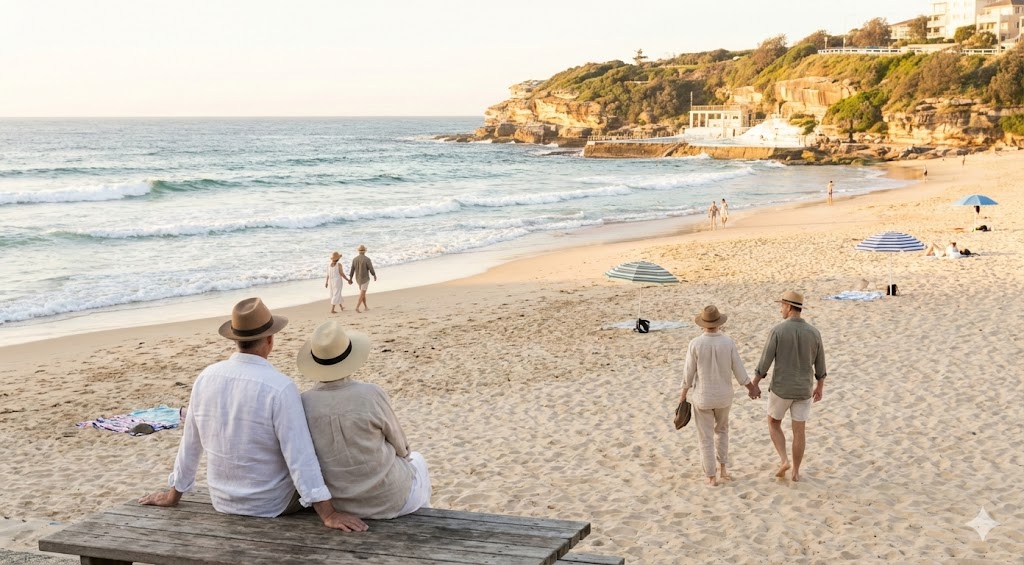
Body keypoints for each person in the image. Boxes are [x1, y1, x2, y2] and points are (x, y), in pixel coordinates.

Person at [139, 298, 368, 532]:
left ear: (235, 340)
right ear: (270, 340)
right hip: (271, 504)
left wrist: (173, 495)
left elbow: (190, 443)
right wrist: (328, 513)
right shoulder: (280, 387)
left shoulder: (206, 377)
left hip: (223, 500)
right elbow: (300, 457)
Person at [297, 321, 431, 518]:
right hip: (390, 498)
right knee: (419, 461)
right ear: (350, 357)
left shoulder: (304, 401)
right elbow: (402, 448)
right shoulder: (370, 394)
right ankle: (424, 518)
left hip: (338, 504)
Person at [679, 306, 760, 486]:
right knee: (722, 431)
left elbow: (688, 374)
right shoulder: (728, 342)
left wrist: (682, 396)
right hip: (724, 397)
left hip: (703, 397)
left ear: (703, 324)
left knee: (705, 437)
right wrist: (751, 387)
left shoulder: (695, 344)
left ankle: (711, 476)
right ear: (719, 323)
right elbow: (739, 369)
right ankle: (723, 469)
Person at [752, 291, 826, 482]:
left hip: (781, 388)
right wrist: (820, 386)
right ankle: (796, 471)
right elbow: (820, 363)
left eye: (782, 305)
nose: (781, 309)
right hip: (803, 389)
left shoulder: (778, 330)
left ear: (789, 307)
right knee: (799, 430)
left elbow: (765, 361)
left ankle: (784, 460)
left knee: (773, 423)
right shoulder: (814, 332)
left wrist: (755, 382)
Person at [349, 244, 377, 313]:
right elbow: (371, 268)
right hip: (365, 278)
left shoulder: (354, 259)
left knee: (363, 293)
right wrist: (374, 275)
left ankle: (366, 307)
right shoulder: (367, 259)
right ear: (365, 251)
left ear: (358, 251)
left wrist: (350, 278)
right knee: (362, 293)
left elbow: (352, 269)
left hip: (358, 279)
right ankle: (357, 307)